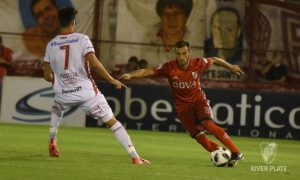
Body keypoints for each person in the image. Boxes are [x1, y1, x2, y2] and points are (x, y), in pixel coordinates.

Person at [43, 7, 150, 165]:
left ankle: (52, 139)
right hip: (86, 93)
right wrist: (111, 79)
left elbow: (46, 76)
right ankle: (135, 156)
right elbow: (95, 64)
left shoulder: (51, 45)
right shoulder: (82, 39)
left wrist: (60, 79)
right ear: (73, 21)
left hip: (64, 93)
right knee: (113, 122)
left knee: (57, 107)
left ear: (60, 23)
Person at [120, 40, 244, 166]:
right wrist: (130, 75)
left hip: (198, 101)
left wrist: (231, 67)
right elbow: (146, 71)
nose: (181, 57)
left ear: (189, 53)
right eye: (178, 54)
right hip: (183, 109)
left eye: (184, 53)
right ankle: (223, 156)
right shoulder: (169, 67)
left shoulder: (198, 63)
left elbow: (215, 59)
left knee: (207, 124)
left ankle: (236, 152)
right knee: (199, 137)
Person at [139, 0, 201, 66]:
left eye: (177, 14)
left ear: (186, 17)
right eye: (166, 14)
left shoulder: (194, 41)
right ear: (161, 17)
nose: (171, 19)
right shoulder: (150, 36)